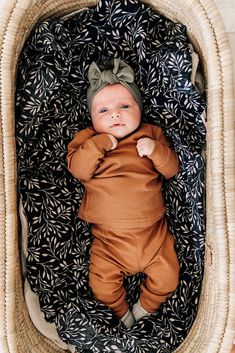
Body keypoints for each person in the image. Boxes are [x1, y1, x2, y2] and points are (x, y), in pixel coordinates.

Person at [67, 58, 180, 328]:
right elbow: (78, 170)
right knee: (102, 285)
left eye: (125, 106)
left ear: (139, 108)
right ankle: (121, 312)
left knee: (169, 277)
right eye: (103, 110)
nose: (115, 115)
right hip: (109, 240)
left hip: (154, 234)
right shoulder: (87, 140)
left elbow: (172, 169)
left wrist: (155, 150)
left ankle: (145, 307)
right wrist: (99, 144)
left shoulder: (151, 134)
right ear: (92, 118)